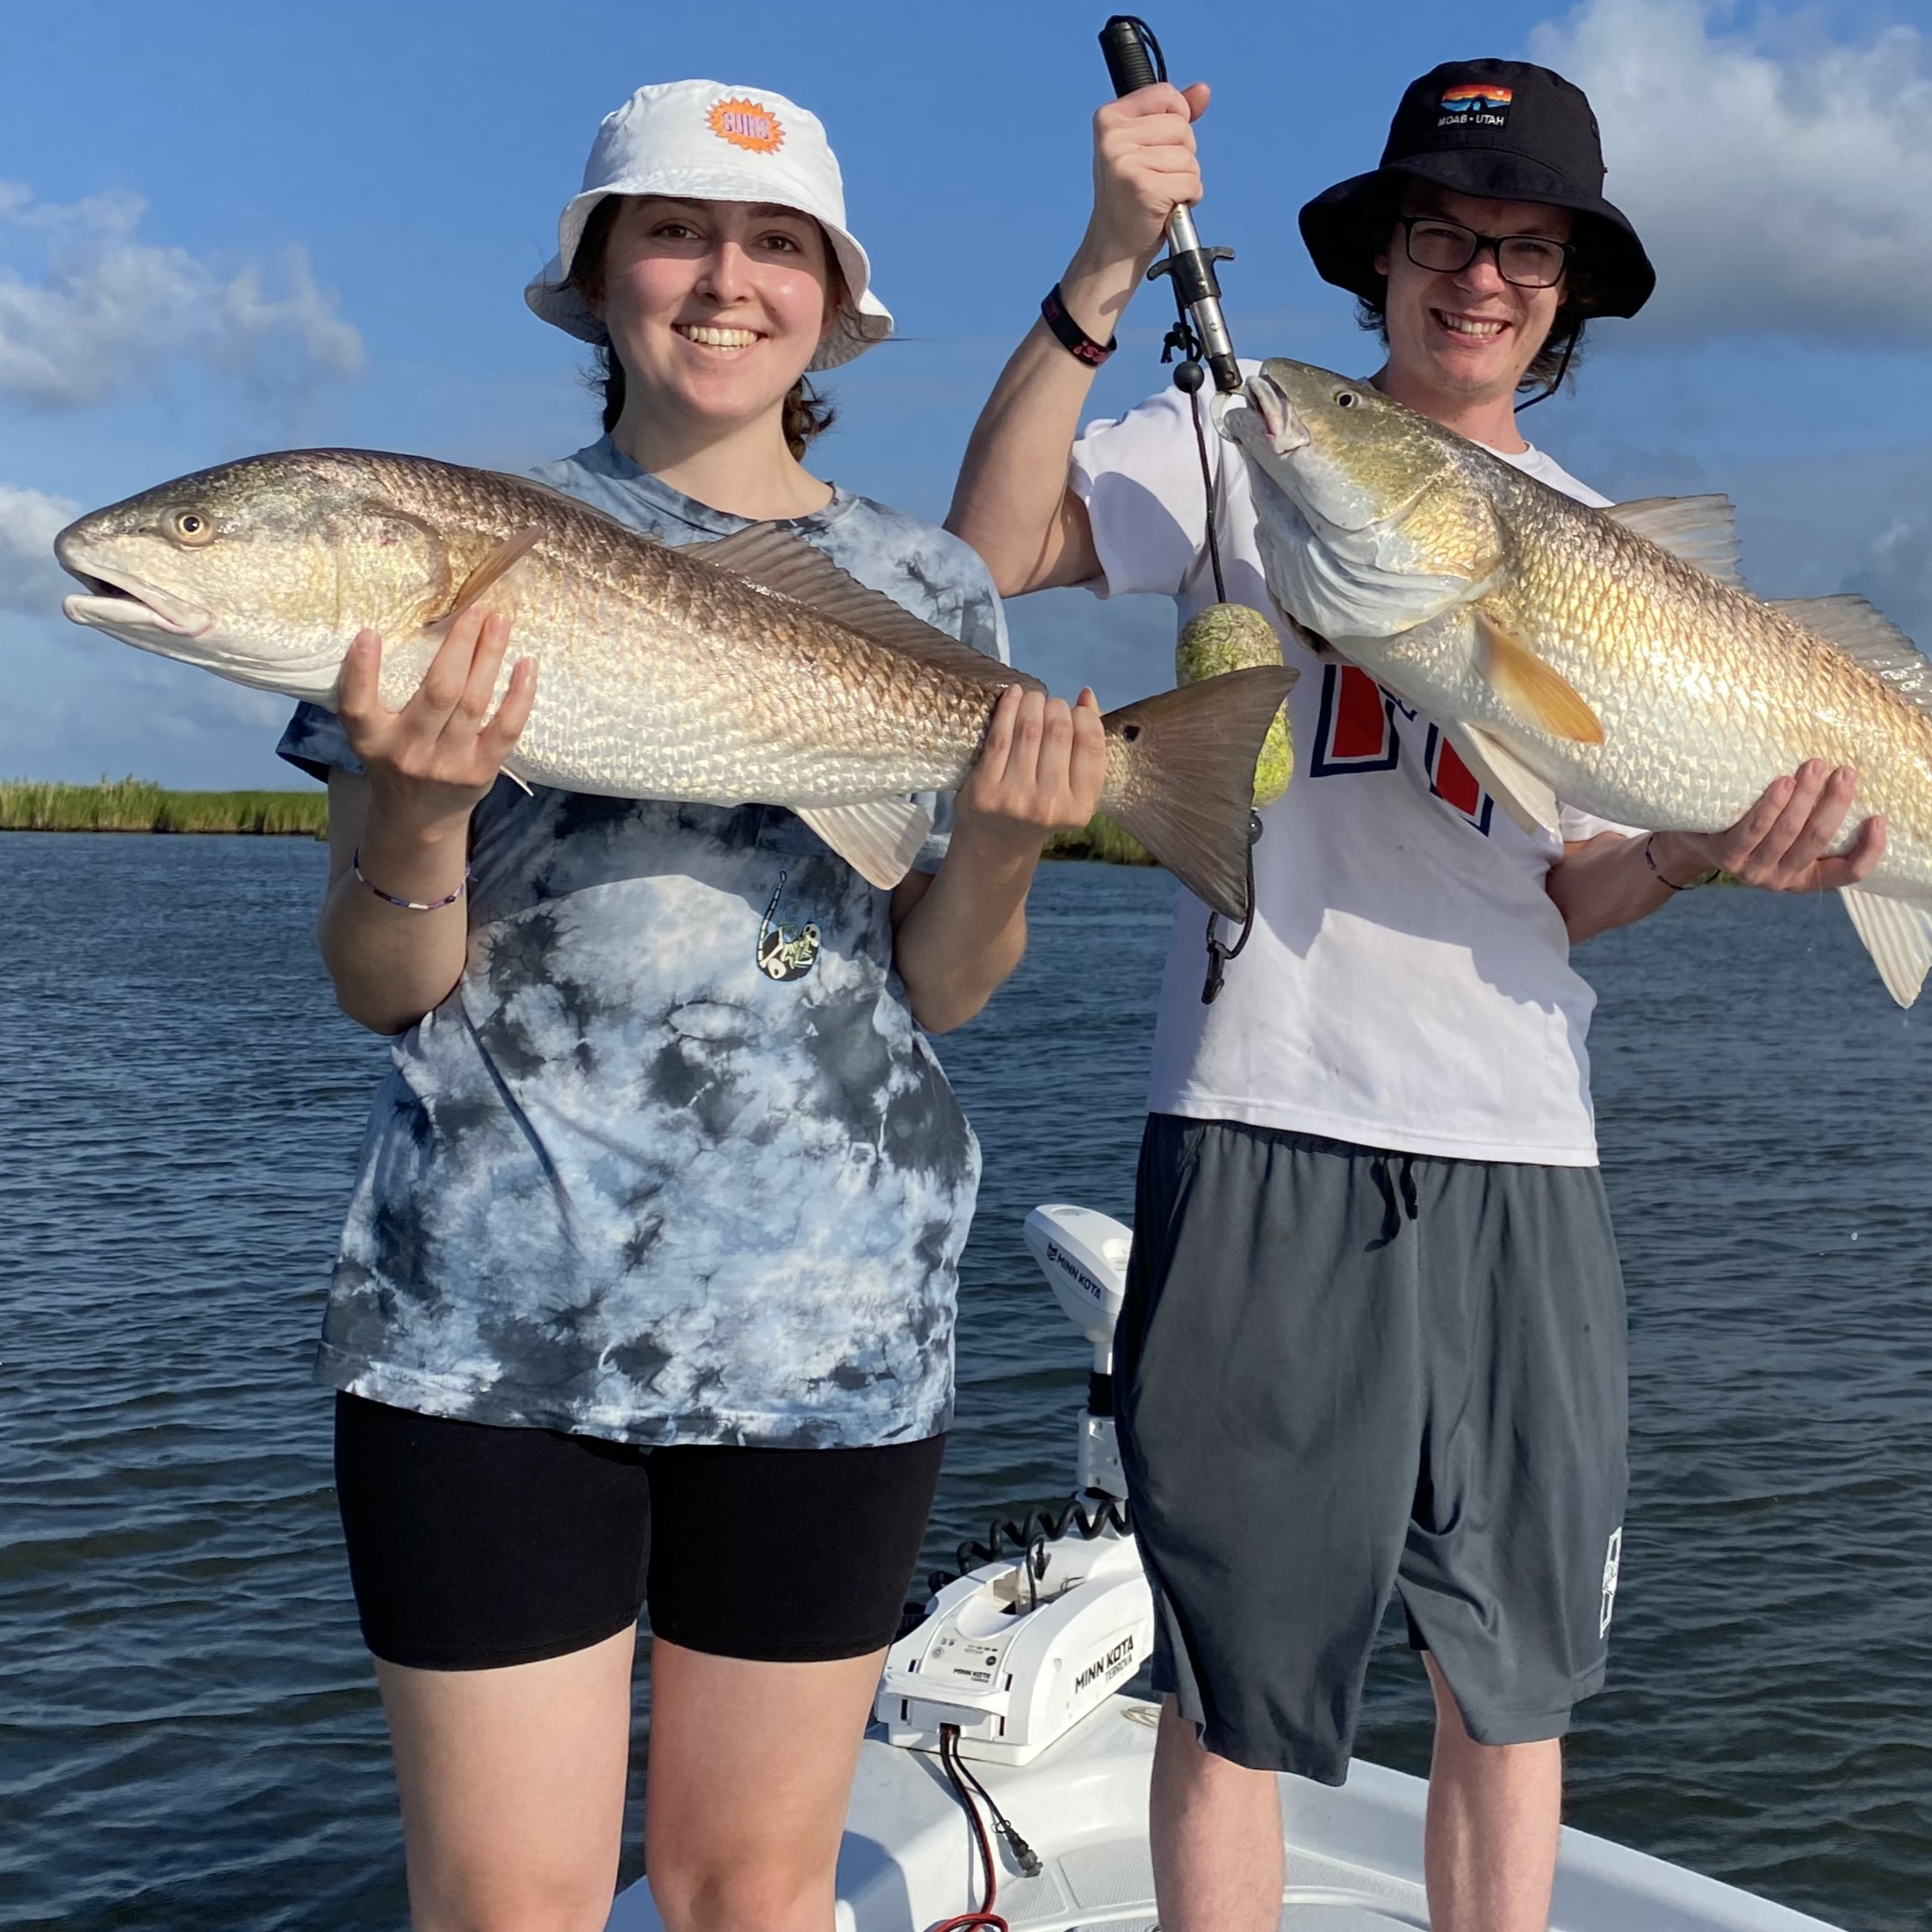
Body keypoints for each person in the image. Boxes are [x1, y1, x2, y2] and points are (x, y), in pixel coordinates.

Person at [947, 56, 1884, 1932]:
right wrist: (1099, 272)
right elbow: (979, 555)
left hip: (1520, 1142)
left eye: (1523, 250)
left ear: (1564, 296)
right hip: (1258, 1112)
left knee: (1508, 1677)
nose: (1477, 276)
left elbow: (1568, 891)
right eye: (1442, 235)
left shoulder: (1596, 546)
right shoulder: (1243, 439)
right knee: (1233, 1684)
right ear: (1379, 256)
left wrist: (1709, 843)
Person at [279, 80, 1105, 1932]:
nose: (722, 278)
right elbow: (379, 976)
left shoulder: (926, 582)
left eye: (774, 244)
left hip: (832, 1320)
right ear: (593, 279)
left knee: (752, 1892)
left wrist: (1002, 849)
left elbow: (941, 987)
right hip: (480, 1320)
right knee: (508, 1903)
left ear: (827, 300)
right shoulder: (433, 542)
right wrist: (414, 803)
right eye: (674, 231)